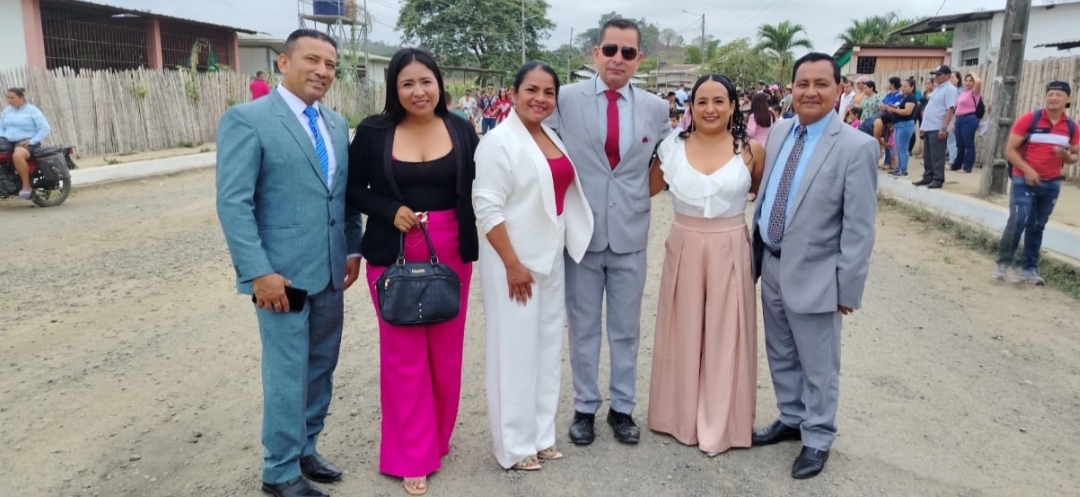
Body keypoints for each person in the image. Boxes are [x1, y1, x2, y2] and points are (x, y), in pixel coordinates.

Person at [215, 29, 360, 497]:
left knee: (320, 366)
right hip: (281, 278)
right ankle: (279, 471)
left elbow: (343, 196)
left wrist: (352, 249)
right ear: (284, 63)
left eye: (330, 64)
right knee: (286, 373)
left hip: (331, 272)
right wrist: (259, 272)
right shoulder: (249, 120)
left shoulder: (335, 124)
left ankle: (305, 449)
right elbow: (234, 204)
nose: (322, 71)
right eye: (312, 60)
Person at [346, 48, 480, 496]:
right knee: (404, 355)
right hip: (393, 250)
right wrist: (390, 209)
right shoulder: (373, 132)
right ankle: (411, 455)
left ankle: (436, 440)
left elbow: (486, 182)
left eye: (426, 81)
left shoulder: (461, 129)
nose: (418, 91)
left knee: (445, 354)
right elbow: (352, 189)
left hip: (451, 249)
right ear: (394, 89)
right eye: (407, 84)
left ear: (439, 84)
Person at [750, 52, 877, 480]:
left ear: (839, 89)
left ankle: (818, 435)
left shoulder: (857, 147)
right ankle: (791, 416)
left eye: (821, 84)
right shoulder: (780, 130)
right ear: (791, 89)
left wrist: (847, 288)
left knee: (819, 364)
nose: (810, 92)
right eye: (802, 84)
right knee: (780, 350)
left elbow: (859, 228)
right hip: (772, 263)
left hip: (818, 274)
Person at [546, 17, 671, 446]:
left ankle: (622, 408)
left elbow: (668, 161)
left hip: (630, 234)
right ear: (596, 53)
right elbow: (543, 151)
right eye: (611, 50)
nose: (619, 58)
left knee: (625, 329)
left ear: (639, 58)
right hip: (581, 234)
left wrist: (638, 196)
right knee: (583, 326)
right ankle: (585, 407)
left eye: (628, 52)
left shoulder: (656, 108)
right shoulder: (565, 99)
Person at [474, 61, 594, 471]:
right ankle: (513, 445)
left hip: (549, 256)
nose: (540, 99)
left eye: (548, 92)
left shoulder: (549, 135)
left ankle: (541, 436)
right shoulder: (498, 142)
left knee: (545, 349)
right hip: (514, 262)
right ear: (513, 93)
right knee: (514, 351)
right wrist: (512, 263)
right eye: (531, 90)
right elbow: (487, 208)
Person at [646, 74, 765, 456]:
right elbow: (646, 188)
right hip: (684, 245)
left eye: (718, 101)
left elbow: (759, 192)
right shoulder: (671, 148)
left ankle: (723, 422)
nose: (710, 109)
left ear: (733, 105)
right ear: (690, 107)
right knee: (681, 329)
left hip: (731, 246)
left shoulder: (751, 151)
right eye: (701, 101)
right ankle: (677, 416)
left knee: (727, 333)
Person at [994, 81, 1079, 285]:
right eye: (1050, 94)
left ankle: (1029, 269)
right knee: (1019, 220)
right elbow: (1009, 150)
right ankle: (1003, 264)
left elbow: (1075, 156)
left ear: (1068, 99)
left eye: (1059, 95)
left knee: (1037, 226)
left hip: (1052, 183)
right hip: (1023, 179)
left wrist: (1066, 157)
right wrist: (1028, 170)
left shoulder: (1071, 126)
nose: (1053, 98)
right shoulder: (1030, 119)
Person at [0, 87, 51, 199]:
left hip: (26, 142)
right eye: (8, 98)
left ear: (21, 97)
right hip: (7, 141)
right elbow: (1, 127)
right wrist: (2, 137)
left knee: (17, 156)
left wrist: (33, 140)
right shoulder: (7, 111)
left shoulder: (32, 111)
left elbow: (45, 128)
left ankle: (26, 186)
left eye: (12, 98)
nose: (9, 100)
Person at [914, 65, 957, 189]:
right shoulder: (937, 89)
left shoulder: (950, 89)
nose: (936, 77)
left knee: (937, 154)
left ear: (947, 75)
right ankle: (928, 176)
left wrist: (944, 128)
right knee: (928, 155)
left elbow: (950, 109)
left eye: (939, 74)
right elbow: (930, 108)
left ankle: (938, 178)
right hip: (929, 125)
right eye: (935, 74)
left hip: (938, 125)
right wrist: (923, 127)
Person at [883, 78, 918, 177]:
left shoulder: (911, 98)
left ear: (912, 87)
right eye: (902, 86)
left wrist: (894, 110)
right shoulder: (903, 97)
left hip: (905, 125)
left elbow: (907, 111)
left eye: (905, 86)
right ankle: (899, 168)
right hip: (899, 125)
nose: (903, 88)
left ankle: (903, 170)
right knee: (898, 148)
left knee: (903, 148)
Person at [951, 72, 983, 173]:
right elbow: (957, 108)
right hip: (959, 119)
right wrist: (955, 122)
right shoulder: (963, 93)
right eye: (966, 81)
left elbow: (979, 81)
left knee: (968, 144)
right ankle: (957, 165)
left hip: (969, 118)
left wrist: (972, 73)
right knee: (959, 144)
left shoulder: (975, 92)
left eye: (970, 81)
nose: (968, 83)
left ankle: (967, 167)